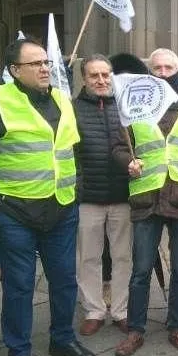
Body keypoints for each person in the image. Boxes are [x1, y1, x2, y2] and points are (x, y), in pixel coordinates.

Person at [0, 38, 96, 356]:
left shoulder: (62, 100)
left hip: (61, 208)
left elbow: (73, 152)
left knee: (65, 280)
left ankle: (62, 338)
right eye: (35, 64)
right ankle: (18, 350)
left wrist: (77, 189)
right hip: (15, 213)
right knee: (20, 285)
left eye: (46, 63)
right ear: (13, 71)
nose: (44, 69)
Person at [112, 48, 178, 356]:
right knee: (141, 270)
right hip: (147, 198)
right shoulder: (132, 106)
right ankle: (135, 330)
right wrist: (126, 163)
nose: (162, 72)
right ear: (149, 71)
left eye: (168, 67)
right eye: (156, 67)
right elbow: (120, 147)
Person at [73, 54, 132, 335]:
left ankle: (121, 310)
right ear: (84, 78)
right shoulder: (72, 110)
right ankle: (94, 310)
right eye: (94, 75)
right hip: (89, 197)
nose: (101, 80)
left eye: (106, 75)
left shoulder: (126, 107)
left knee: (123, 257)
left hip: (122, 195)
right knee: (88, 258)